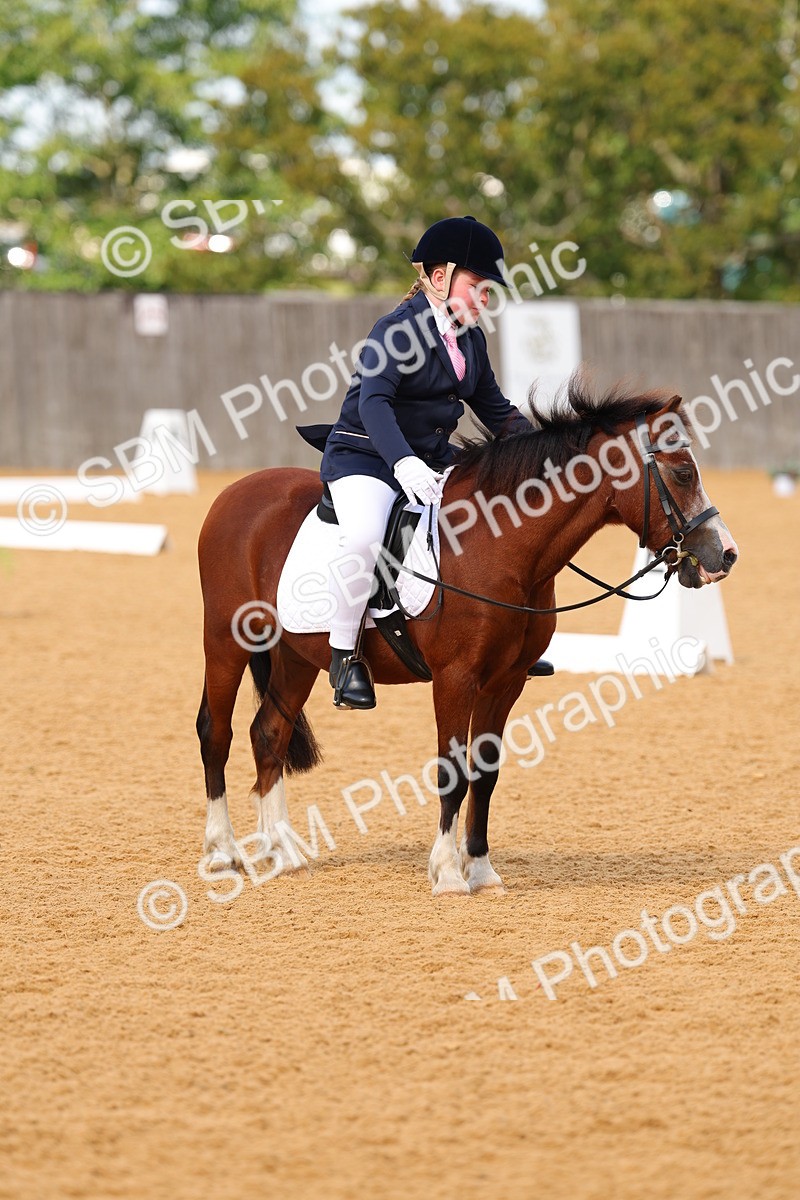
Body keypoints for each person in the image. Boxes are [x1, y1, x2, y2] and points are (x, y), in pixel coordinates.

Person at [298, 215, 553, 709]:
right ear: (440, 278)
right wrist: (403, 463)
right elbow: (374, 403)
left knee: (497, 513)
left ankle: (507, 635)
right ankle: (345, 656)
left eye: (488, 291)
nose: (484, 299)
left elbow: (495, 410)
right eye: (478, 287)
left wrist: (546, 450)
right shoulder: (395, 330)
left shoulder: (470, 340)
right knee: (365, 537)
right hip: (368, 457)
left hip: (433, 459)